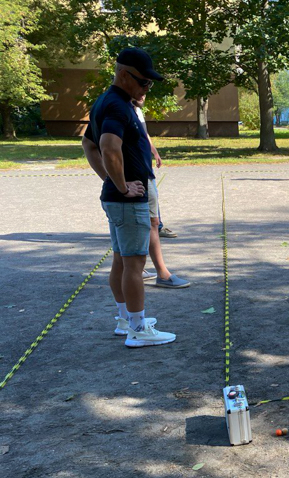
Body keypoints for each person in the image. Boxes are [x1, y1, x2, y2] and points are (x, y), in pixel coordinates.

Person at [81, 47, 176, 348]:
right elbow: (107, 148)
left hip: (120, 197)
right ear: (124, 75)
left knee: (122, 260)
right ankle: (137, 329)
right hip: (126, 199)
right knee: (134, 263)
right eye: (143, 82)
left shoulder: (108, 102)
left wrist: (110, 181)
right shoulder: (118, 106)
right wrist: (120, 185)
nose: (147, 87)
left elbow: (87, 144)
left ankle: (126, 320)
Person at [132, 97, 190, 288]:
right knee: (148, 222)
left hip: (144, 173)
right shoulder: (119, 108)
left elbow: (143, 135)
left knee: (151, 222)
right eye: (141, 84)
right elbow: (97, 146)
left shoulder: (136, 110)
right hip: (135, 177)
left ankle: (140, 269)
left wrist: (154, 152)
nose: (144, 92)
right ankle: (160, 274)